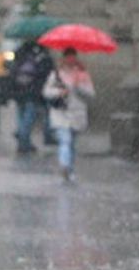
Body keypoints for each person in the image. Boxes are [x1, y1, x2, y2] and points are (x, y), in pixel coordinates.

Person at [42, 47, 95, 182]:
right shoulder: (56, 74)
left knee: (71, 143)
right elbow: (46, 92)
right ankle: (64, 166)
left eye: (73, 57)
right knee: (65, 140)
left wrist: (78, 87)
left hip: (77, 113)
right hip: (61, 113)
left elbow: (91, 94)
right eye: (68, 57)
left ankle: (70, 169)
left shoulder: (82, 74)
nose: (70, 60)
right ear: (64, 58)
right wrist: (59, 92)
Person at [9, 40, 55, 154]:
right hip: (32, 92)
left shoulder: (19, 55)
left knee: (21, 116)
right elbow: (46, 74)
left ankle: (24, 140)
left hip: (18, 91)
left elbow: (11, 71)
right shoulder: (41, 57)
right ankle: (23, 141)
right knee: (29, 117)